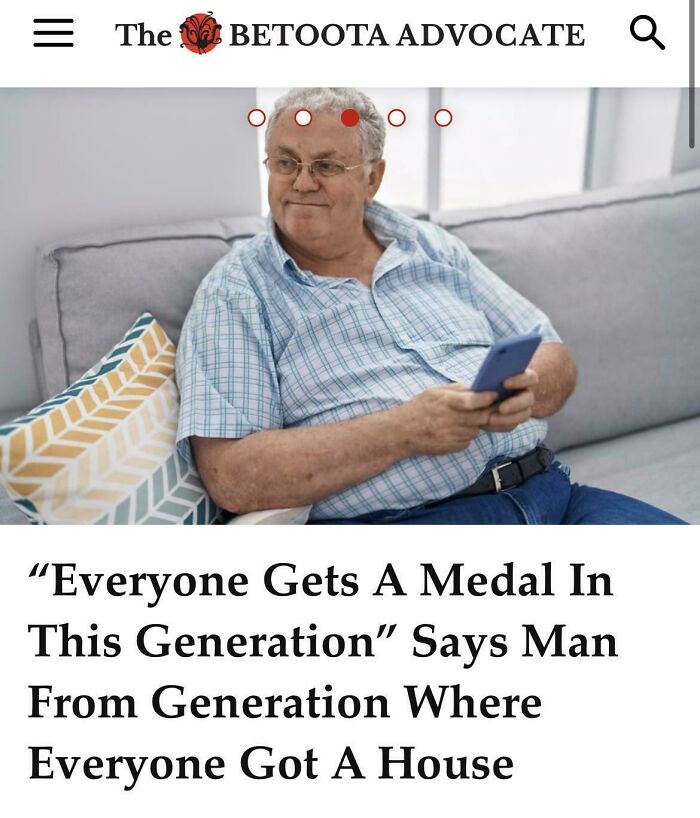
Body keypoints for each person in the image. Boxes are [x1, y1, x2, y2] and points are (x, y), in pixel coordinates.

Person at [175, 87, 685, 525]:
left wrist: (525, 390)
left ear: (373, 178)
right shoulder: (237, 292)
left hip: (554, 494)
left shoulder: (430, 246)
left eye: (326, 165)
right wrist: (405, 431)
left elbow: (554, 357)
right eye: (286, 163)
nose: (302, 182)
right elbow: (232, 476)